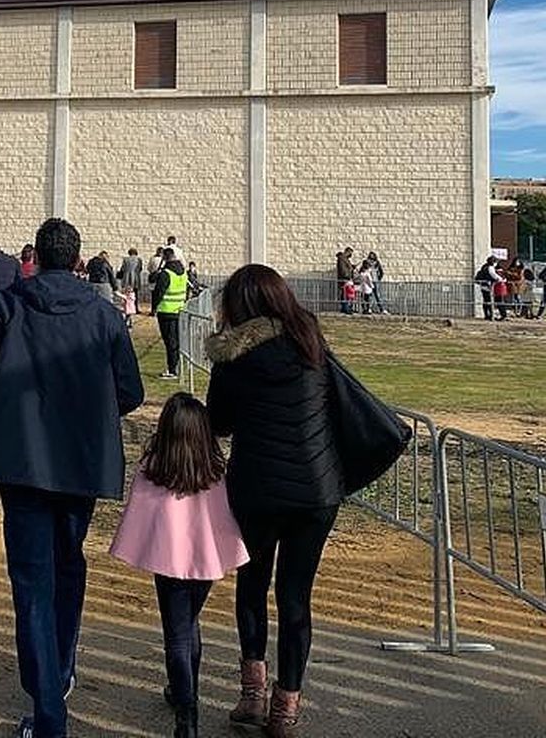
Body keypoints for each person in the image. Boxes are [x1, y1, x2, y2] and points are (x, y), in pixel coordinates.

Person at [0, 218, 144, 738]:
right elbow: (129, 390)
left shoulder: (6, 306)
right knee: (65, 569)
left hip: (23, 465)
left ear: (35, 255)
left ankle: (50, 706)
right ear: (78, 262)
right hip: (78, 464)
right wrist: (87, 415)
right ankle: (56, 680)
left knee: (34, 583)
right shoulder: (105, 317)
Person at [206, 264, 343, 737]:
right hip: (316, 489)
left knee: (253, 589)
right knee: (295, 598)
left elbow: (219, 423)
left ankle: (252, 693)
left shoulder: (234, 357)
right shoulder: (312, 344)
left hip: (259, 489)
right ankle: (287, 707)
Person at [109, 393, 250, 738]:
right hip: (205, 561)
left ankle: (186, 715)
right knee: (188, 627)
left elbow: (139, 512)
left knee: (178, 635)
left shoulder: (154, 468)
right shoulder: (215, 470)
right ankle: (184, 694)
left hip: (168, 563)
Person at [152, 251, 190, 379]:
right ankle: (176, 366)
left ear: (165, 259)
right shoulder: (183, 272)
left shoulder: (166, 274)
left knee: (170, 342)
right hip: (179, 310)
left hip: (166, 311)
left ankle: (172, 370)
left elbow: (158, 292)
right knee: (177, 341)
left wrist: (153, 308)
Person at [475, 256, 500, 321]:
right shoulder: (490, 267)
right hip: (487, 286)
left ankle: (487, 315)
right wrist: (500, 279)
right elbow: (494, 276)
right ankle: (490, 316)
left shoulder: (484, 266)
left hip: (483, 285)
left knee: (485, 301)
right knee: (489, 301)